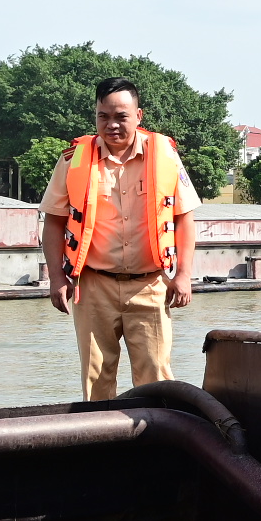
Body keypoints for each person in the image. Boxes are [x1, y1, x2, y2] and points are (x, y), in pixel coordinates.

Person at [41, 78, 199, 399]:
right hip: (94, 286)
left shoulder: (165, 156)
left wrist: (183, 275)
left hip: (151, 285)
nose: (111, 125)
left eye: (121, 116)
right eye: (103, 116)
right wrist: (57, 277)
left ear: (138, 116)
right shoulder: (74, 160)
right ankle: (102, 448)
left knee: (155, 377)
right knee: (96, 378)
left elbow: (184, 218)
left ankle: (154, 446)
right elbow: (54, 221)